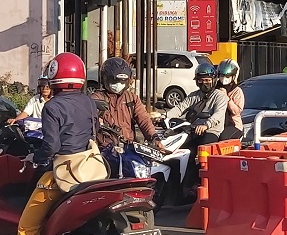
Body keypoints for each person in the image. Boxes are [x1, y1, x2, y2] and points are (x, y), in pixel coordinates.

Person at [11, 53, 109, 235]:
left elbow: (51, 146)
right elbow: (92, 134)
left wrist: (36, 156)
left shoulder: (52, 107)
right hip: (92, 172)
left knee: (27, 225)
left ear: (55, 77)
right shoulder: (89, 103)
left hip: (62, 174)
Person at [165, 61, 229, 203]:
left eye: (207, 80)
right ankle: (178, 188)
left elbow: (218, 115)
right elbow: (181, 107)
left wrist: (207, 125)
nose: (204, 84)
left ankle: (198, 184)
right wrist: (166, 117)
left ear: (214, 80)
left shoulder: (220, 96)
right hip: (192, 130)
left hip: (211, 131)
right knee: (177, 153)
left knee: (201, 157)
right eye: (200, 81)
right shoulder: (194, 95)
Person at [93, 59, 160, 177]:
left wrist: (154, 137)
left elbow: (143, 119)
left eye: (122, 81)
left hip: (128, 148)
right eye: (115, 81)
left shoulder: (131, 98)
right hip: (104, 151)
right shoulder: (97, 98)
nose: (118, 85)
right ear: (105, 79)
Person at [216, 58, 244, 140]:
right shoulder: (215, 88)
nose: (224, 78)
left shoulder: (237, 91)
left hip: (233, 125)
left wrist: (227, 98)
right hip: (216, 124)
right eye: (222, 75)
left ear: (233, 76)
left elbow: (236, 111)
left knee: (223, 138)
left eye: (227, 76)